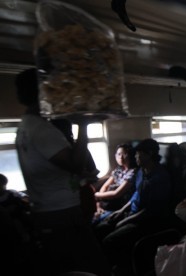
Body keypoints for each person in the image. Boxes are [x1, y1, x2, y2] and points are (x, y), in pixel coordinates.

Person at [14, 68, 110, 275]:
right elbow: (75, 164)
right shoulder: (42, 129)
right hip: (62, 213)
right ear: (44, 92)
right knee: (90, 265)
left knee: (69, 264)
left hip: (48, 210)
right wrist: (84, 125)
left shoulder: (25, 126)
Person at [99, 138, 172, 276]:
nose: (136, 157)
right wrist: (121, 211)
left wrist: (126, 220)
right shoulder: (140, 172)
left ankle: (123, 269)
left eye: (139, 154)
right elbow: (136, 196)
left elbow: (151, 211)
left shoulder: (160, 177)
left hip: (147, 220)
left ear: (149, 154)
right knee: (101, 228)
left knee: (110, 240)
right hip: (133, 213)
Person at [93, 143, 137, 224]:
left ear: (130, 155)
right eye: (118, 154)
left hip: (118, 206)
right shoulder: (118, 170)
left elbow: (116, 194)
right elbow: (105, 186)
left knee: (96, 222)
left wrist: (96, 195)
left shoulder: (132, 172)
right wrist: (99, 205)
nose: (121, 157)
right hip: (107, 203)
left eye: (124, 154)